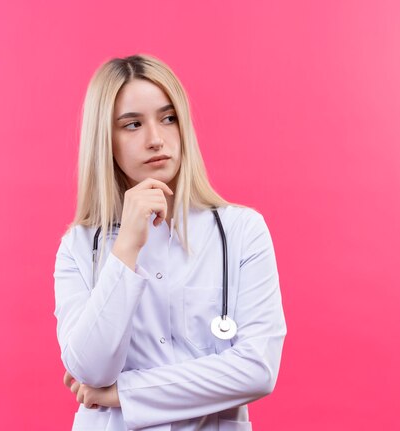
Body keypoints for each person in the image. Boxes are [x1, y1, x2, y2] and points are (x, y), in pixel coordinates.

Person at [53, 54, 286, 431]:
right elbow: (91, 369)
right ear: (105, 140)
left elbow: (257, 369)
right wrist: (126, 245)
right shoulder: (79, 247)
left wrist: (121, 394)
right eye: (132, 125)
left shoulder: (243, 231)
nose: (156, 139)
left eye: (168, 118)